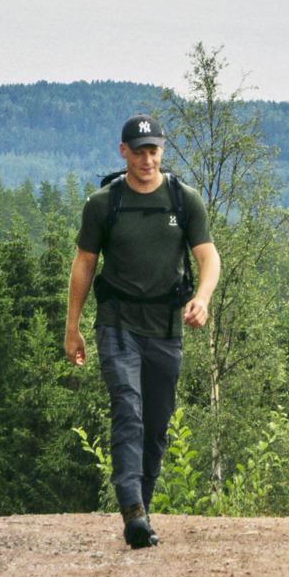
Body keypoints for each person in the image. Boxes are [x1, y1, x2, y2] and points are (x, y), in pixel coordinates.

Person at [64, 114, 220, 549]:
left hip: (166, 326)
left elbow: (209, 257)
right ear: (123, 152)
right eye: (139, 151)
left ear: (162, 151)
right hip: (117, 322)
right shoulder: (103, 204)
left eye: (154, 150)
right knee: (128, 408)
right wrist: (72, 326)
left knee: (156, 423)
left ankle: (142, 511)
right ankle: (131, 506)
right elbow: (84, 265)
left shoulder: (183, 200)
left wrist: (202, 298)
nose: (147, 159)